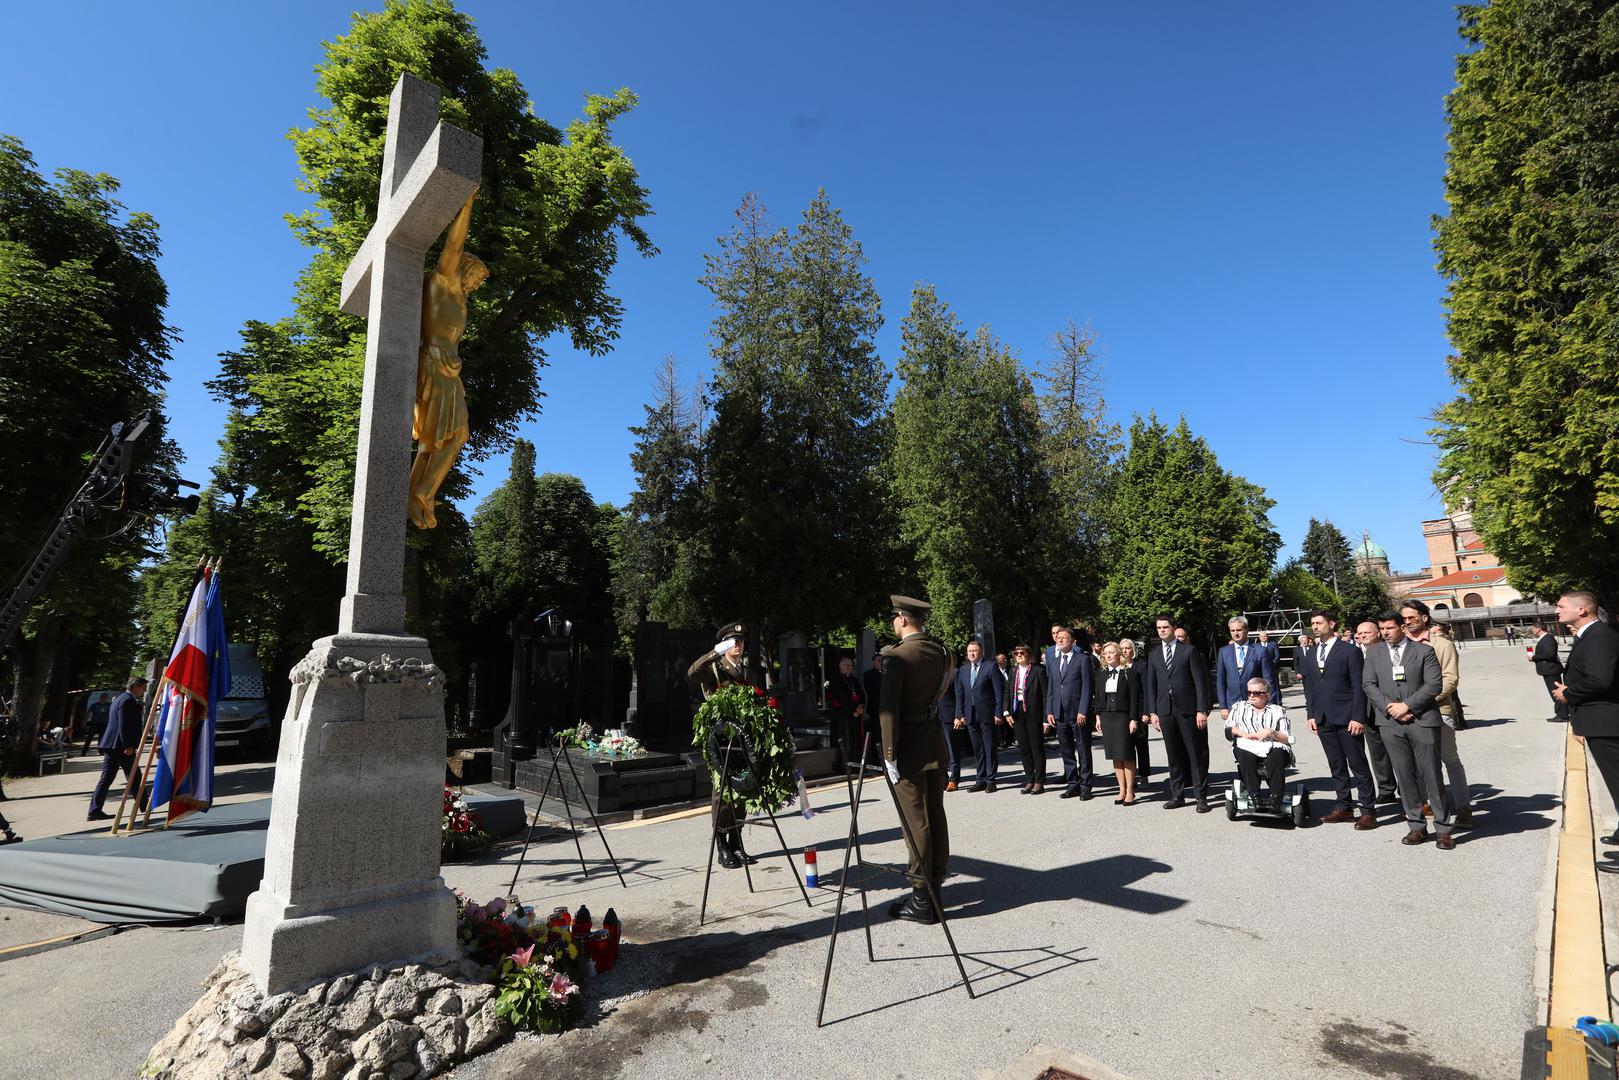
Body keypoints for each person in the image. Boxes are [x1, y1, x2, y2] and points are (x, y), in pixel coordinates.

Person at [409, 192, 488, 529]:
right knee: (456, 435)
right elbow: (453, 246)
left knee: (437, 438)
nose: (478, 284)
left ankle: (417, 491)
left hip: (445, 370)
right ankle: (424, 490)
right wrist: (466, 204)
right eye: (478, 277)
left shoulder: (459, 300)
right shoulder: (442, 283)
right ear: (465, 268)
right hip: (434, 365)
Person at [879, 595, 956, 924]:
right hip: (934, 744)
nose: (893, 623)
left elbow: (889, 712)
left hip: (908, 748)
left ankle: (922, 898)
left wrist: (889, 755)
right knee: (935, 816)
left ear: (902, 619)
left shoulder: (897, 657)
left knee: (916, 824)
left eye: (894, 618)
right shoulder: (942, 652)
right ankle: (936, 888)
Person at [1362, 612, 1455, 849]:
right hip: (1390, 723)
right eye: (1381, 628)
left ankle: (1443, 828)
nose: (1385, 633)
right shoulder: (1374, 653)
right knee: (1404, 776)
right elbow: (1369, 685)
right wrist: (1390, 708)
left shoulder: (1423, 651)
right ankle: (1416, 825)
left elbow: (1434, 684)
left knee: (1431, 775)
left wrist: (1408, 705)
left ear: (1403, 627)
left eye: (1389, 628)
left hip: (1421, 720)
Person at [687, 621, 767, 870]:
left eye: (741, 642)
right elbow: (692, 672)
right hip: (721, 741)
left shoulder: (749, 672)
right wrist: (715, 652)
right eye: (733, 643)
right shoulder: (714, 669)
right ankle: (721, 845)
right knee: (722, 793)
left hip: (744, 740)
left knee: (744, 787)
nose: (739, 646)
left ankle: (736, 842)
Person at [1553, 591, 1619, 860]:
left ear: (1582, 610)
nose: (1556, 611)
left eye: (1561, 606)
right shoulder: (1592, 635)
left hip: (1607, 723)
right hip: (1600, 722)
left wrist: (1569, 694)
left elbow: (1600, 680)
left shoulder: (1599, 636)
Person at [1302, 609, 1375, 828]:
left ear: (1331, 624)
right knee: (1336, 765)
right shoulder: (1312, 653)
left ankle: (1368, 811)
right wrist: (1311, 714)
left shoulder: (1349, 651)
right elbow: (1311, 687)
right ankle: (1344, 806)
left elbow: (1358, 687)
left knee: (1358, 765)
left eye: (1319, 623)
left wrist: (1358, 717)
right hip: (1323, 718)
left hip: (1347, 718)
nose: (1314, 627)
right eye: (1312, 623)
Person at [1402, 600, 1472, 828]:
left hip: (1438, 710)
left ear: (1424, 618)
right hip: (1408, 714)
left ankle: (1463, 808)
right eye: (1404, 618)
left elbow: (1450, 679)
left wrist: (1420, 702)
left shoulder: (1441, 644)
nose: (1407, 622)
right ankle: (1428, 804)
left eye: (1412, 617)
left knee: (1449, 759)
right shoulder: (1399, 646)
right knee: (1419, 763)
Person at [1147, 615, 1212, 811]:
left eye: (1165, 627)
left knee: (1195, 754)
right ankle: (1178, 795)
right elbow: (1151, 686)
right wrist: (1153, 712)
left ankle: (1201, 797)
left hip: (1188, 710)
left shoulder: (1188, 651)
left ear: (1173, 628)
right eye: (1159, 628)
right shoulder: (1155, 655)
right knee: (1173, 755)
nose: (1162, 630)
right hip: (1165, 711)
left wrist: (1202, 710)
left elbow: (1200, 683)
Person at [1224, 677, 1294, 809]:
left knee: (1276, 756)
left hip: (1273, 744)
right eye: (1249, 692)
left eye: (1256, 693)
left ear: (1266, 695)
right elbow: (1228, 729)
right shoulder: (1239, 707)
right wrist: (1242, 733)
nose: (1251, 695)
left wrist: (1271, 732)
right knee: (1245, 755)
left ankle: (1276, 797)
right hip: (1247, 744)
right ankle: (1254, 795)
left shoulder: (1277, 710)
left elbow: (1287, 738)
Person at [1044, 626, 1095, 799]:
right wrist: (1049, 710)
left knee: (1083, 749)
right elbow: (1051, 687)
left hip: (1077, 713)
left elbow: (1088, 688)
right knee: (1066, 749)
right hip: (1059, 713)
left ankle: (1086, 785)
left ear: (1073, 641)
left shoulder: (1083, 659)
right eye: (1058, 637)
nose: (1059, 639)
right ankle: (1072, 783)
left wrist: (1083, 710)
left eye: (1063, 637)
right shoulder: (1054, 661)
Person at [88, 677, 147, 822]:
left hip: (111, 745)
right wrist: (128, 745)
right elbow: (124, 724)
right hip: (120, 746)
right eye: (143, 687)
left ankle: (94, 810)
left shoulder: (121, 698)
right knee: (134, 776)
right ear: (136, 687)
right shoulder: (127, 700)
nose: (144, 691)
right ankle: (145, 806)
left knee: (106, 778)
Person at [1355, 620, 1400, 804]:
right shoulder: (1354, 654)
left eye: (1367, 632)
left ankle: (1408, 791)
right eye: (1360, 633)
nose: (1362, 636)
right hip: (1367, 710)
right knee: (1377, 752)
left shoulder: (1388, 651)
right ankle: (1386, 789)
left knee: (1398, 752)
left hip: (1389, 708)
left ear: (1378, 634)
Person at [1092, 642, 1143, 805]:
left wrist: (1133, 718)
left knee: (1126, 754)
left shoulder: (1128, 672)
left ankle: (1130, 791)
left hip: (1123, 716)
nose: (1107, 655)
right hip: (1107, 716)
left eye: (1111, 652)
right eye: (1105, 653)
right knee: (1115, 755)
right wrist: (1098, 716)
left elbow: (1135, 698)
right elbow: (1098, 697)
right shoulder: (1101, 673)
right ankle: (1121, 789)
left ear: (1118, 654)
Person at [952, 641, 1005, 792]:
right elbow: (960, 694)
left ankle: (990, 780)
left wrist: (998, 712)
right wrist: (959, 714)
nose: (972, 654)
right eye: (969, 651)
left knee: (989, 747)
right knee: (977, 748)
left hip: (987, 713)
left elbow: (998, 692)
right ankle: (980, 778)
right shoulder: (963, 669)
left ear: (981, 652)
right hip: (970, 714)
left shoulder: (990, 666)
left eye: (974, 651)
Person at [1003, 644, 1048, 793]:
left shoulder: (1038, 671)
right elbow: (1008, 693)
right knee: (1024, 748)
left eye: (1022, 653)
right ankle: (1029, 779)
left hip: (1033, 712)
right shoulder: (1013, 670)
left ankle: (1039, 781)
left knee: (1036, 747)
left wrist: (1045, 719)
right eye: (1016, 653)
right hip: (1017, 712)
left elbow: (1045, 695)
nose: (1019, 655)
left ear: (1028, 655)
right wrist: (1006, 712)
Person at [1215, 616, 1278, 719]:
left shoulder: (1260, 651)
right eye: (1232, 630)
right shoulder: (1224, 652)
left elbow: (1269, 680)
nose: (1236, 633)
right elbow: (1221, 681)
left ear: (1247, 630)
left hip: (1257, 704)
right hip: (1233, 705)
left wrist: (1270, 705)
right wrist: (1223, 706)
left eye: (1239, 630)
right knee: (1237, 734)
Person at [1119, 638, 1151, 784]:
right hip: (1122, 713)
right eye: (1122, 648)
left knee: (1141, 745)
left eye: (1128, 648)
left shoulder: (1141, 666)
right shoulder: (1118, 667)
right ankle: (1128, 779)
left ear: (1133, 650)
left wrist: (1146, 712)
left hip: (1138, 712)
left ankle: (1144, 776)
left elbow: (1146, 691)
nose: (1125, 651)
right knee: (1125, 747)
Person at [825, 655, 867, 767]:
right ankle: (845, 766)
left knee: (856, 741)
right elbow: (840, 697)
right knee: (845, 740)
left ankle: (856, 765)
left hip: (855, 715)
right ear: (840, 666)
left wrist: (860, 706)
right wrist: (854, 708)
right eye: (846, 665)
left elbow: (861, 694)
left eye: (851, 665)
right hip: (842, 716)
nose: (849, 667)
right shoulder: (835, 679)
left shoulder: (854, 679)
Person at [1531, 624, 1568, 722]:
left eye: (1533, 629)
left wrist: (1534, 657)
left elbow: (1550, 654)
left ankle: (1562, 715)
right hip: (1549, 670)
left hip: (1551, 670)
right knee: (1554, 692)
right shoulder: (1545, 639)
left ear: (1539, 629)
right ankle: (1561, 713)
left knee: (1556, 692)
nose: (1532, 631)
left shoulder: (1548, 639)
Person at [82, 692, 111, 756]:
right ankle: (83, 752)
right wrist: (85, 722)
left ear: (107, 698)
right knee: (89, 738)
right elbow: (88, 713)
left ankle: (100, 751)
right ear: (100, 697)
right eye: (103, 697)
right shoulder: (94, 705)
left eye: (105, 697)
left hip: (104, 724)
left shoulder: (109, 705)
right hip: (94, 723)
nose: (104, 698)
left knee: (102, 738)